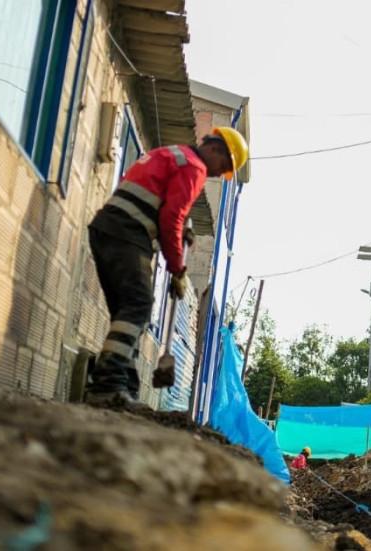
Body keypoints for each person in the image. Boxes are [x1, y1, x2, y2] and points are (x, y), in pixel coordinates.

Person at [85, 127, 249, 406]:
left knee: (129, 314)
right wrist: (178, 269)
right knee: (138, 305)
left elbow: (162, 201)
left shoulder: (171, 155)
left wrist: (181, 227)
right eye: (223, 167)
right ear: (215, 149)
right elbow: (170, 217)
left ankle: (125, 387)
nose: (219, 174)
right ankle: (107, 385)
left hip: (107, 228)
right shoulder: (195, 167)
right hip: (127, 233)